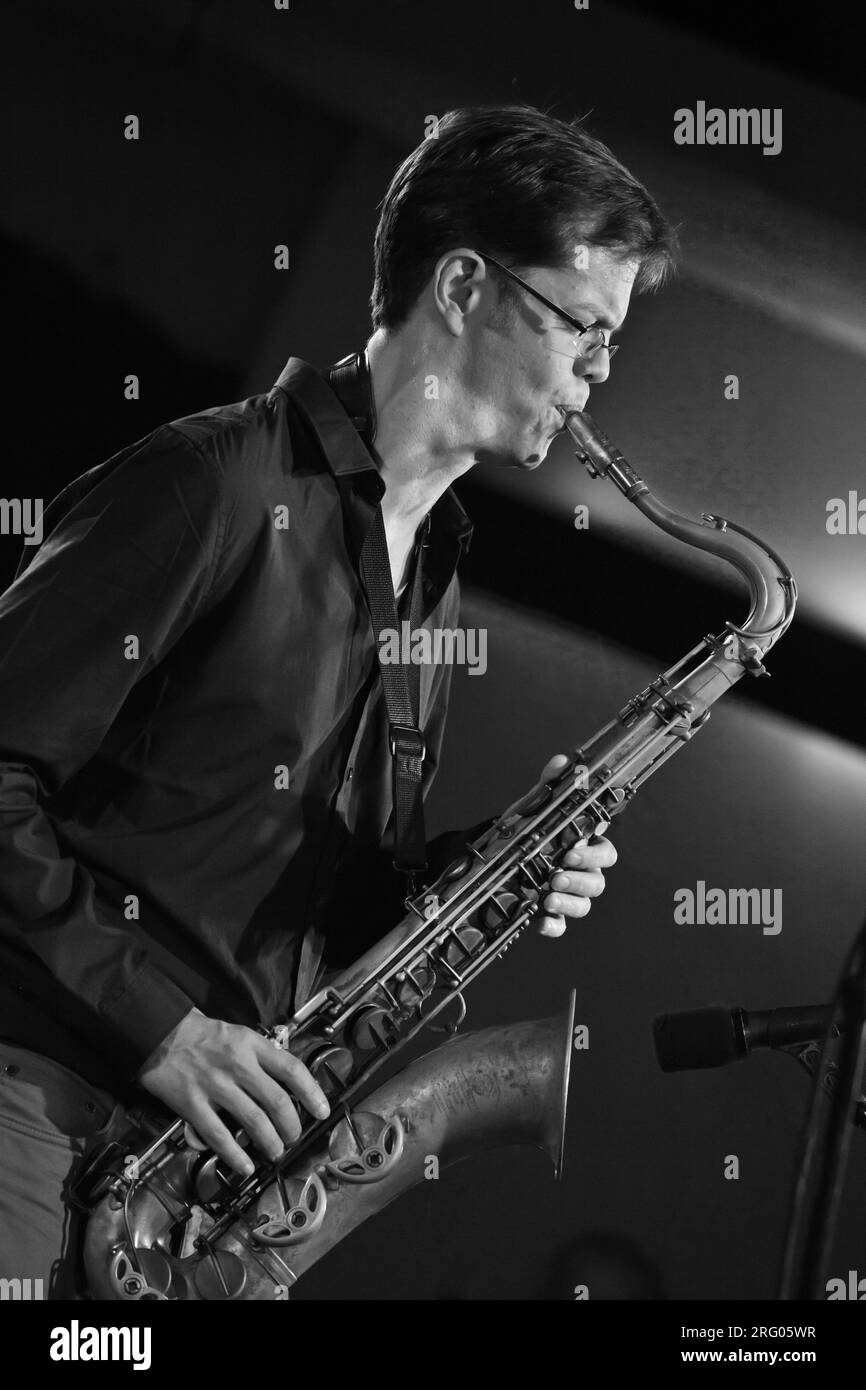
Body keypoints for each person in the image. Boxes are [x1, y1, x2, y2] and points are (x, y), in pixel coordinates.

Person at [0, 103, 675, 1297]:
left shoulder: (433, 581)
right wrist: (164, 1027)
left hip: (179, 1183)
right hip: (37, 1102)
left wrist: (492, 868)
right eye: (583, 326)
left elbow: (331, 905)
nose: (597, 373)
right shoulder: (215, 480)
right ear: (462, 286)